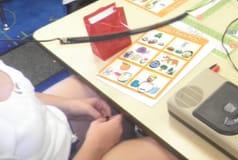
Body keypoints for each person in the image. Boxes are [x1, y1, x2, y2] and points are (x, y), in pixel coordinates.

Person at [0, 61, 176, 160]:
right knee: (166, 148)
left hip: (51, 132)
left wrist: (71, 106)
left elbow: (25, 94)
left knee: (104, 82)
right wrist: (96, 146)